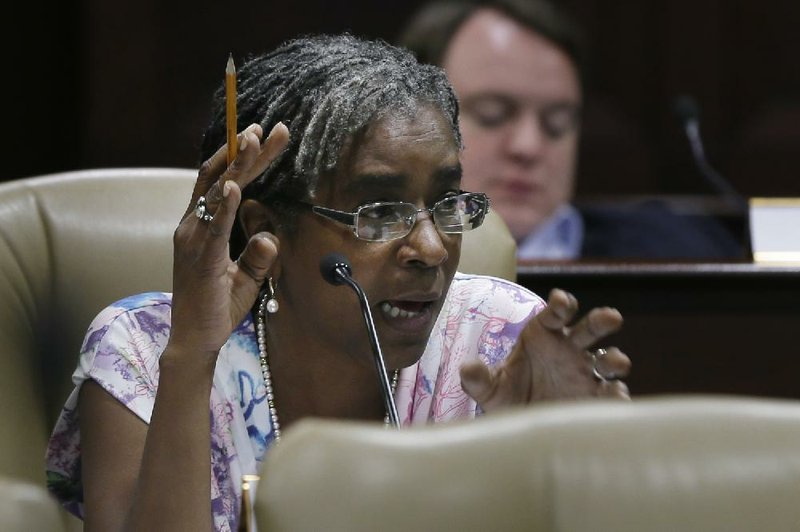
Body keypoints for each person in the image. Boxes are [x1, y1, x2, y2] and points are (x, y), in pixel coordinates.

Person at [45, 34, 630, 531]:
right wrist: (191, 356)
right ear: (265, 234)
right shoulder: (143, 352)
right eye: (378, 213)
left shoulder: (499, 340)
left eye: (447, 202)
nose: (430, 249)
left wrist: (567, 465)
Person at [400, 0, 744, 260]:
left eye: (557, 123)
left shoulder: (677, 250)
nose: (529, 146)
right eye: (493, 114)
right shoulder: (357, 263)